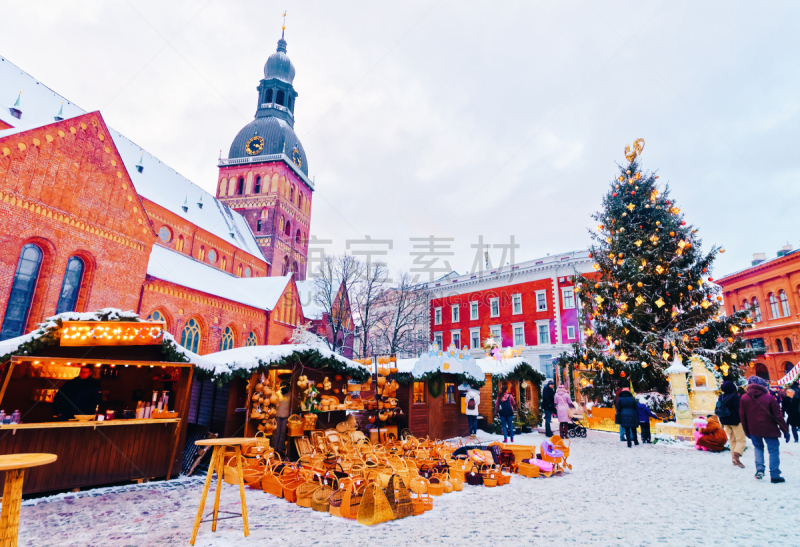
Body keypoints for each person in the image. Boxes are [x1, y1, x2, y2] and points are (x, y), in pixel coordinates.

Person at [740, 375, 789, 483]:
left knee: (758, 448)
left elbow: (742, 416)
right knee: (773, 451)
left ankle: (759, 469)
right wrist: (785, 431)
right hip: (769, 429)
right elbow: (778, 416)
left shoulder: (744, 398)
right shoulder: (769, 398)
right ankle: (775, 475)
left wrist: (747, 430)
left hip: (753, 429)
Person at [716, 380, 746, 467]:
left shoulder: (721, 396)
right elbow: (738, 409)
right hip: (735, 421)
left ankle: (734, 460)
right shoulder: (735, 397)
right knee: (741, 440)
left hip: (725, 421)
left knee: (732, 440)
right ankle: (737, 455)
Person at [272, 385, 292, 454]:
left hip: (286, 416)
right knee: (276, 433)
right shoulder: (277, 393)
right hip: (277, 415)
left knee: (283, 433)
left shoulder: (290, 394)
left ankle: (280, 450)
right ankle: (274, 449)